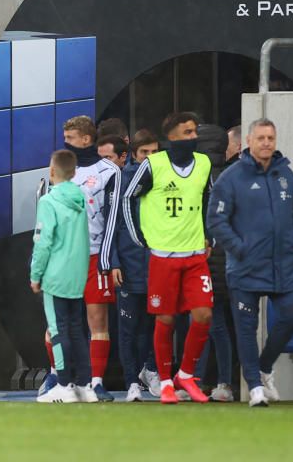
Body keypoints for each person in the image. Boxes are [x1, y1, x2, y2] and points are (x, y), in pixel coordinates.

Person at [208, 119, 293, 407]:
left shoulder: (287, 176)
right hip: (245, 266)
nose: (266, 143)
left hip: (282, 265)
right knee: (245, 328)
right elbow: (216, 220)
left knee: (291, 317)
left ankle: (263, 368)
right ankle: (255, 389)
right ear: (248, 140)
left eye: (270, 137)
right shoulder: (231, 177)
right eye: (261, 137)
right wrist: (239, 248)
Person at [120, 111, 214, 404]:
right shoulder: (152, 164)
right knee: (166, 318)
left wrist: (209, 234)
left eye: (194, 132)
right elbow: (127, 198)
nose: (193, 137)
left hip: (195, 254)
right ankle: (164, 380)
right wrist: (139, 239)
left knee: (204, 314)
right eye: (187, 132)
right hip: (163, 255)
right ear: (171, 136)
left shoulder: (204, 163)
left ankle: (185, 373)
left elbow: (209, 198)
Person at [31, 149, 97, 403]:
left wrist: (36, 274)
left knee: (59, 330)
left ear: (51, 171)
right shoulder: (80, 197)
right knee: (78, 331)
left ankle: (63, 385)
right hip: (77, 275)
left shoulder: (49, 201)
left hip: (55, 275)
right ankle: (84, 385)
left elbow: (43, 242)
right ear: (74, 172)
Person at [62, 115, 120, 402]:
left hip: (95, 255)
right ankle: (58, 379)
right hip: (64, 258)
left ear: (86, 139)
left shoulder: (109, 171)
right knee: (58, 321)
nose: (66, 144)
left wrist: (108, 258)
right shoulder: (60, 167)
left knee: (98, 321)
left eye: (70, 138)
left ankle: (96, 382)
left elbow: (113, 219)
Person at [108, 128, 159, 401]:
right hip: (128, 265)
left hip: (157, 266)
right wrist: (114, 262)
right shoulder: (121, 181)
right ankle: (130, 382)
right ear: (134, 155)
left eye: (154, 153)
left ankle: (150, 371)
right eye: (144, 153)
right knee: (128, 328)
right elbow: (112, 225)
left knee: (154, 326)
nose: (149, 158)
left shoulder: (164, 179)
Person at [190, 123, 236, 402]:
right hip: (229, 263)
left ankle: (197, 380)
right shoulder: (233, 176)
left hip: (201, 261)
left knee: (202, 324)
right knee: (221, 326)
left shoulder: (196, 177)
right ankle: (223, 383)